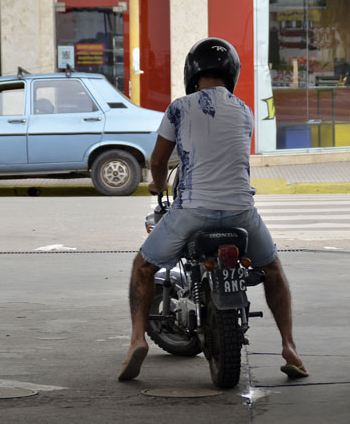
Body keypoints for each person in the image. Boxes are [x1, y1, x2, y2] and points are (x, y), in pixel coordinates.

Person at [118, 37, 307, 381]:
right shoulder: (245, 110)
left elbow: (158, 160)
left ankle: (135, 341)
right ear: (231, 72)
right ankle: (290, 346)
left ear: (192, 72)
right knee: (274, 271)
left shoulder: (179, 108)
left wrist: (157, 184)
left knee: (143, 266)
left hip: (192, 210)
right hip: (241, 213)